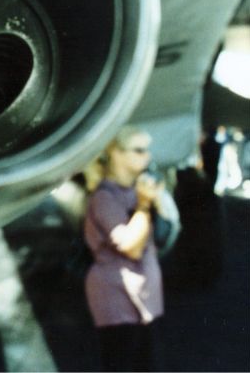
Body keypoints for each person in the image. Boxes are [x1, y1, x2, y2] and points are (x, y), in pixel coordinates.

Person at [84, 125, 171, 372]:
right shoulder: (104, 198)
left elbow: (164, 234)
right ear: (117, 153)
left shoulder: (136, 190)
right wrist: (143, 206)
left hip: (145, 297)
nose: (147, 156)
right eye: (139, 150)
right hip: (117, 300)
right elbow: (131, 247)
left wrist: (156, 203)